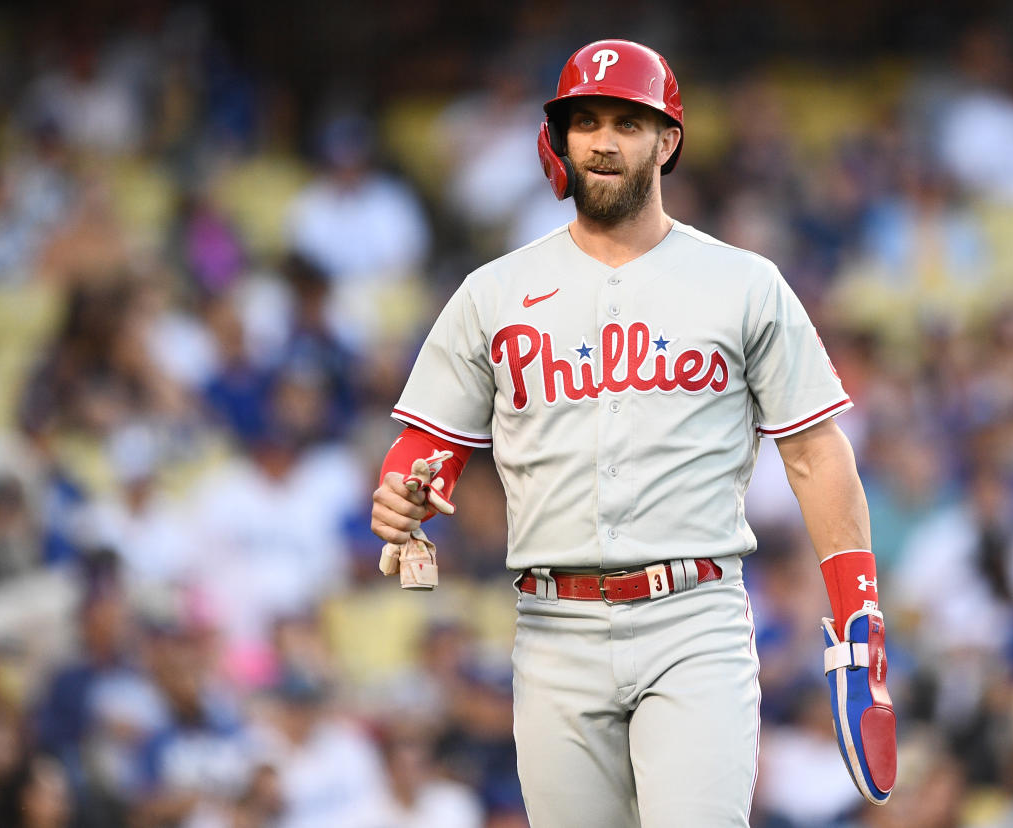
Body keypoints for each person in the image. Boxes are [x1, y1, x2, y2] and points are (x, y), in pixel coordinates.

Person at [370, 39, 896, 826]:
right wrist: (399, 492)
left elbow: (816, 456)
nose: (604, 141)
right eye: (585, 121)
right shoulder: (494, 292)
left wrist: (859, 618)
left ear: (667, 140)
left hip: (693, 619)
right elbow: (427, 442)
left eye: (627, 121)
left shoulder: (744, 284)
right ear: (561, 139)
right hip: (552, 627)